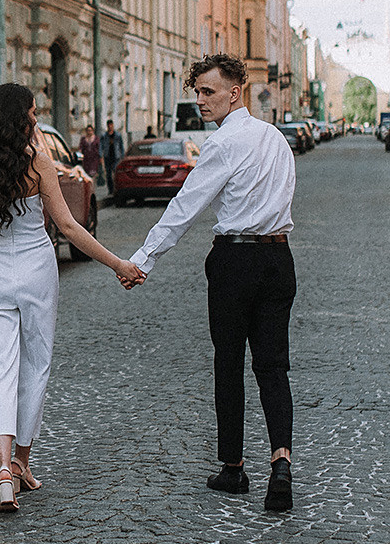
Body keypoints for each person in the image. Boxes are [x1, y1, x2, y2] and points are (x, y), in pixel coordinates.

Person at [0, 84, 141, 513]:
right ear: (19, 116)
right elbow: (69, 228)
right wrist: (118, 264)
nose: (36, 119)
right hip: (35, 271)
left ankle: (1, 471)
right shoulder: (38, 162)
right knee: (35, 366)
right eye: (32, 113)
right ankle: (21, 461)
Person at [118, 53, 299, 514]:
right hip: (279, 257)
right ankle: (281, 461)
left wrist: (142, 260)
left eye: (208, 91)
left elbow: (185, 207)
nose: (199, 100)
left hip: (236, 259)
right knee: (274, 366)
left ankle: (234, 467)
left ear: (235, 92)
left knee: (229, 362)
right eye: (197, 91)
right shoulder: (277, 140)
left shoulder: (223, 144)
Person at [100, 120, 127, 193]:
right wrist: (100, 155)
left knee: (116, 173)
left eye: (111, 125)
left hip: (116, 157)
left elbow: (121, 146)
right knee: (108, 175)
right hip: (107, 156)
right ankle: (110, 190)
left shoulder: (117, 135)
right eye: (109, 125)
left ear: (113, 125)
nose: (110, 127)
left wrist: (122, 155)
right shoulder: (104, 136)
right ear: (107, 126)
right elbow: (101, 146)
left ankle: (116, 188)